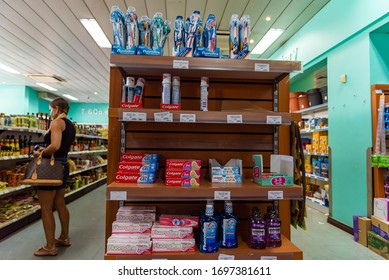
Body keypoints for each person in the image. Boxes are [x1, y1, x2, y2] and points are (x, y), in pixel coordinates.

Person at [33, 97, 76, 257]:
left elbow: (55, 146)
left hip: (51, 167)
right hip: (63, 165)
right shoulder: (70, 124)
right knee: (60, 203)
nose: (50, 112)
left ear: (57, 108)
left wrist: (40, 153)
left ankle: (50, 247)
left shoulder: (57, 123)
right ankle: (64, 237)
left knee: (46, 208)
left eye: (51, 109)